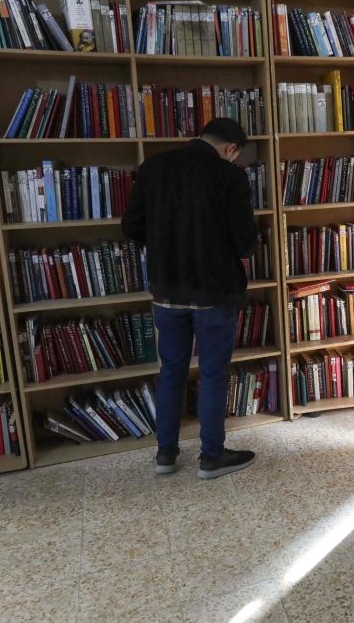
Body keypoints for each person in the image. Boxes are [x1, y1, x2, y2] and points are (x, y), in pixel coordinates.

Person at [122, 118, 259, 480]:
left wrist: (165, 242)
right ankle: (211, 458)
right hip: (215, 294)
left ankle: (165, 455)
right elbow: (245, 243)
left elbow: (131, 227)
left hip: (166, 292)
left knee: (171, 373)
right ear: (231, 149)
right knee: (213, 375)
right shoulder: (229, 176)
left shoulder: (154, 167)